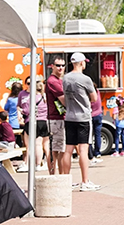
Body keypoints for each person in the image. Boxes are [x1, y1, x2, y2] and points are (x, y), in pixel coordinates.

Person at [62, 52, 99, 191]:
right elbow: (94, 98)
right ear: (82, 63)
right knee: (83, 149)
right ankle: (85, 181)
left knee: (68, 149)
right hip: (83, 117)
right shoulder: (86, 79)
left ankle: (65, 180)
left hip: (69, 116)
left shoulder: (65, 78)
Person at [43, 59, 68, 172]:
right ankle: (58, 177)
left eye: (63, 65)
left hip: (59, 118)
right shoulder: (53, 81)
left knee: (59, 150)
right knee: (56, 150)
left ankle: (60, 177)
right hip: (56, 119)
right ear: (52, 66)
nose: (61, 68)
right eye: (58, 65)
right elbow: (65, 101)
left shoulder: (58, 80)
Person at [89, 86, 105, 166]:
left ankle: (90, 153)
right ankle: (97, 152)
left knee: (89, 136)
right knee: (97, 135)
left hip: (91, 116)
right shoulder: (97, 92)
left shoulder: (89, 95)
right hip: (98, 114)